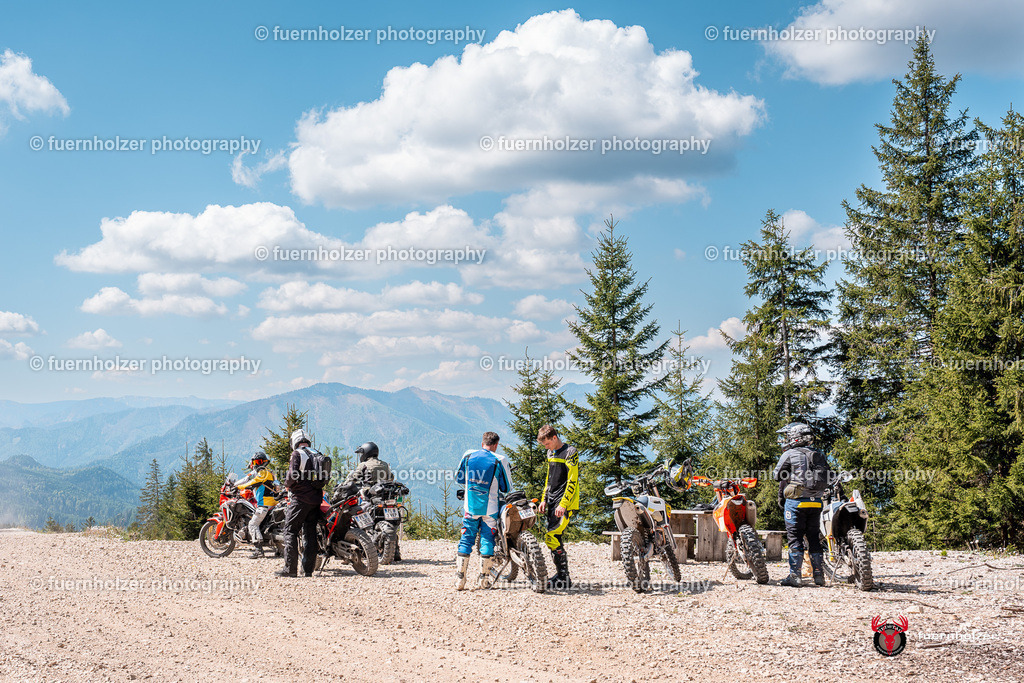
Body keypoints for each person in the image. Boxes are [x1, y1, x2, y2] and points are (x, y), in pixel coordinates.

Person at [773, 422, 830, 587]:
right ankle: (819, 577)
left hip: (796, 502)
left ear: (794, 437)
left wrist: (791, 472)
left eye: (788, 436)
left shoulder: (790, 453)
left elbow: (777, 475)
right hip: (816, 503)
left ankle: (795, 576)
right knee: (814, 538)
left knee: (795, 538)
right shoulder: (819, 454)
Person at [454, 431, 511, 590]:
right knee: (487, 540)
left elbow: (459, 478)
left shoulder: (467, 456)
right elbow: (506, 487)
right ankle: (483, 580)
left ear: (482, 443)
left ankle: (460, 579)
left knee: (466, 539)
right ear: (496, 445)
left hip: (470, 508)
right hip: (490, 508)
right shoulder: (499, 460)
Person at [275, 429, 327, 578]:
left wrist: (287, 485)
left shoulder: (298, 453)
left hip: (300, 499)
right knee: (310, 533)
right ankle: (308, 570)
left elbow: (292, 474)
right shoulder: (317, 452)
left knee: (290, 530)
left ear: (294, 441)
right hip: (316, 499)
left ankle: (290, 569)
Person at [537, 424, 579, 590]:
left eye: (547, 443)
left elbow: (572, 480)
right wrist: (543, 500)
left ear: (554, 438)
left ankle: (563, 576)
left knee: (551, 536)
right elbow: (549, 478)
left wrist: (564, 504)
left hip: (564, 503)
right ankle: (563, 577)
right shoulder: (550, 452)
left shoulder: (570, 452)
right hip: (552, 501)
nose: (546, 447)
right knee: (556, 537)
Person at [235, 451, 278, 558]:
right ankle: (280, 550)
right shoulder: (270, 472)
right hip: (274, 503)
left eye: (259, 462)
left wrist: (238, 487)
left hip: (264, 505)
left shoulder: (262, 473)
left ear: (264, 462)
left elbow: (252, 482)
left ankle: (258, 550)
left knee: (252, 524)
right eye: (256, 462)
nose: (257, 464)